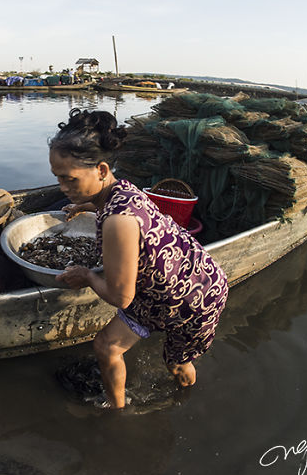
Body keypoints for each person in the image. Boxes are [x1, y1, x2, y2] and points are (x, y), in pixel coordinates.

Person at [49, 108, 229, 409]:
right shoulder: (122, 189)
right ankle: (118, 404)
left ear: (102, 171)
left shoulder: (118, 222)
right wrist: (87, 204)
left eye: (70, 180)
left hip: (193, 297)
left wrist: (89, 277)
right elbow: (125, 217)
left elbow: (121, 297)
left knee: (175, 363)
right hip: (177, 277)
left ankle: (165, 402)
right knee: (107, 347)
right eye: (58, 179)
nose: (63, 188)